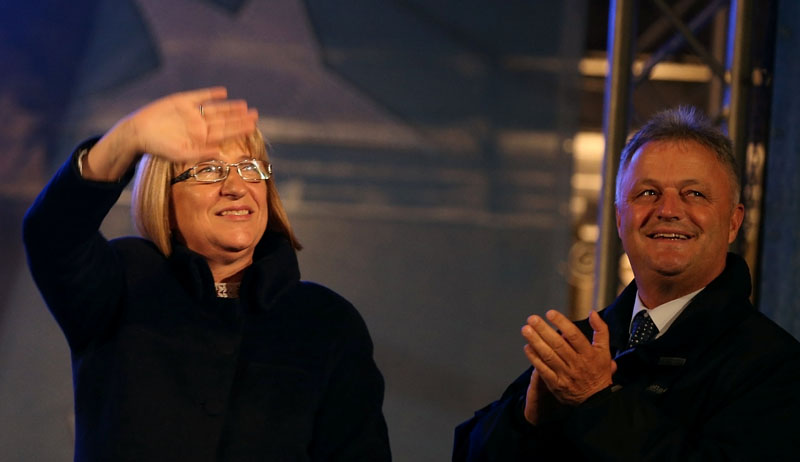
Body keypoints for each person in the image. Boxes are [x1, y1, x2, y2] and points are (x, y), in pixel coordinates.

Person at [23, 87, 391, 461]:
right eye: (209, 170)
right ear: (164, 198)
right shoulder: (124, 284)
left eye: (250, 168)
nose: (236, 187)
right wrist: (126, 139)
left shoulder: (324, 321)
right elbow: (52, 235)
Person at [452, 106, 800, 461]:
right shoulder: (579, 348)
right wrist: (527, 421)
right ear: (620, 219)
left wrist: (597, 402)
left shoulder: (775, 366)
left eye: (694, 194)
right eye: (647, 193)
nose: (668, 210)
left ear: (733, 223)